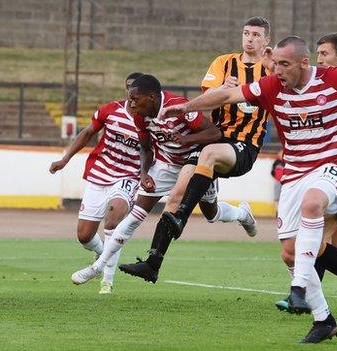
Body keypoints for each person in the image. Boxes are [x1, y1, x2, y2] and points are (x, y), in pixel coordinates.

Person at [154, 36, 337, 343]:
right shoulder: (272, 86)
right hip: (294, 172)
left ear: (305, 63)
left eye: (284, 64)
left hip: (333, 165)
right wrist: (185, 107)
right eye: (274, 64)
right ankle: (324, 319)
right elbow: (226, 95)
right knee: (291, 253)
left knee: (313, 205)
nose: (276, 70)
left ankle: (298, 287)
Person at [118, 16, 271, 283]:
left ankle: (181, 219)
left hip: (245, 144)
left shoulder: (271, 70)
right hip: (215, 139)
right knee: (177, 194)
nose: (250, 38)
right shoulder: (224, 63)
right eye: (246, 33)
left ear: (266, 40)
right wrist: (222, 89)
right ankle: (152, 263)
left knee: (208, 158)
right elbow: (208, 98)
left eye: (257, 35)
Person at [70, 74, 247, 286]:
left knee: (212, 213)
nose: (131, 103)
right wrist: (144, 174)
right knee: (134, 217)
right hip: (164, 165)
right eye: (130, 98)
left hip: (194, 165)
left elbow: (214, 133)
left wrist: (186, 139)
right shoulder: (140, 115)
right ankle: (97, 267)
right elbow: (145, 149)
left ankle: (242, 213)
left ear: (152, 97)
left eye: (136, 99)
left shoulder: (180, 108)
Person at [274, 32, 337, 312]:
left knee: (311, 240)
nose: (319, 60)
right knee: (333, 244)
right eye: (318, 54)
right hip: (331, 171)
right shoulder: (322, 87)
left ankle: (304, 298)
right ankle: (305, 297)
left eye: (324, 54)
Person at [49, 72, 143, 294]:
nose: (132, 93)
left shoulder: (150, 120)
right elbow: (88, 132)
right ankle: (102, 253)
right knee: (84, 236)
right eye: (129, 88)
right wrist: (65, 159)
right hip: (100, 174)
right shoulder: (110, 110)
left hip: (128, 176)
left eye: (136, 89)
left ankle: (106, 282)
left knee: (113, 219)